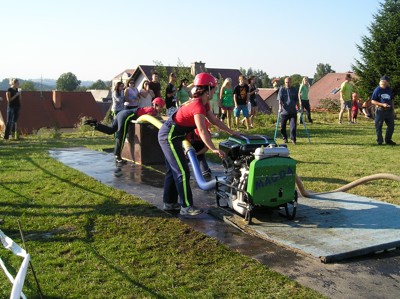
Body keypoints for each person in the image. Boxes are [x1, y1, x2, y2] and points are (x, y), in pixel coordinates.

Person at [158, 73, 238, 216]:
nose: (214, 91)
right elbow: (201, 130)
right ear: (207, 89)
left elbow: (214, 121)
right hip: (169, 136)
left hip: (174, 135)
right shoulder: (197, 105)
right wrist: (213, 149)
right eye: (213, 88)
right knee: (182, 171)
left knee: (172, 170)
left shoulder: (203, 103)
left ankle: (169, 203)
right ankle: (186, 206)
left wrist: (232, 132)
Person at [85, 97, 165, 165]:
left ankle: (95, 124)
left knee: (111, 130)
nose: (161, 109)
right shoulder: (151, 111)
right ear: (155, 105)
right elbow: (150, 120)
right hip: (127, 115)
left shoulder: (150, 109)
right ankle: (118, 156)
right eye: (160, 107)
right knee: (121, 135)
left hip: (121, 113)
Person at [371, 75, 396, 145]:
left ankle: (388, 140)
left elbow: (391, 100)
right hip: (380, 110)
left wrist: (393, 110)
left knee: (391, 126)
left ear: (387, 83)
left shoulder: (389, 89)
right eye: (381, 83)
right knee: (379, 126)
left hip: (389, 111)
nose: (382, 85)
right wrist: (382, 104)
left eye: (384, 83)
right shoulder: (377, 90)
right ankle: (380, 141)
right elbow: (372, 101)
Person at [277, 77, 300, 144]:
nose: (288, 84)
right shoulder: (282, 89)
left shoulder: (294, 90)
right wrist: (280, 108)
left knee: (293, 127)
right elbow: (280, 100)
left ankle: (293, 139)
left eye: (289, 82)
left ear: (291, 82)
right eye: (286, 82)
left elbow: (296, 100)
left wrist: (298, 107)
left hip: (293, 111)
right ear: (284, 83)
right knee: (282, 128)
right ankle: (285, 138)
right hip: (284, 112)